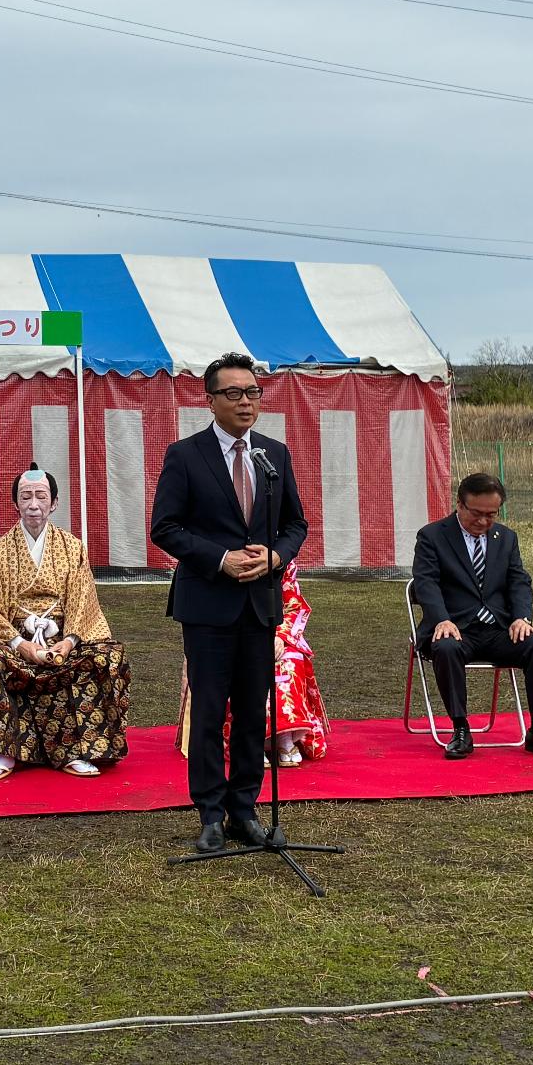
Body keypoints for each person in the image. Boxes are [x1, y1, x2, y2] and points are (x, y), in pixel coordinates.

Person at [149, 351, 309, 856]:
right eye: (235, 393)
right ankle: (210, 814)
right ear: (211, 399)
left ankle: (245, 808)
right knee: (210, 711)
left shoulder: (273, 455)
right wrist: (220, 558)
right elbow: (165, 528)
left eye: (253, 392)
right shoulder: (185, 454)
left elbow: (295, 524)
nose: (246, 402)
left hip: (260, 604)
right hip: (208, 604)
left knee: (252, 714)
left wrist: (275, 555)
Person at [0, 463, 130, 779]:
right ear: (15, 503)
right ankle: (3, 752)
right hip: (14, 640)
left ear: (54, 503)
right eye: (26, 496)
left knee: (106, 656)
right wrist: (22, 644)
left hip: (62, 637)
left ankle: (76, 749)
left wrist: (68, 642)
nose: (33, 504)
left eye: (41, 496)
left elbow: (84, 602)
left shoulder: (73, 549)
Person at [410, 472, 533, 761]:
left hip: (498, 629)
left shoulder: (506, 538)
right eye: (476, 513)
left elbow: (519, 581)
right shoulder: (432, 537)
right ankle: (461, 729)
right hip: (455, 627)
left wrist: (522, 617)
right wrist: (441, 619)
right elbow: (426, 584)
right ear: (459, 505)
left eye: (491, 515)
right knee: (445, 647)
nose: (484, 521)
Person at [176, 559, 330, 767]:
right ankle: (254, 741)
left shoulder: (279, 559)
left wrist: (281, 637)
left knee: (290, 663)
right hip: (230, 631)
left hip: (276, 632)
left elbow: (294, 604)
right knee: (244, 667)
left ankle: (284, 737)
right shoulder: (227, 556)